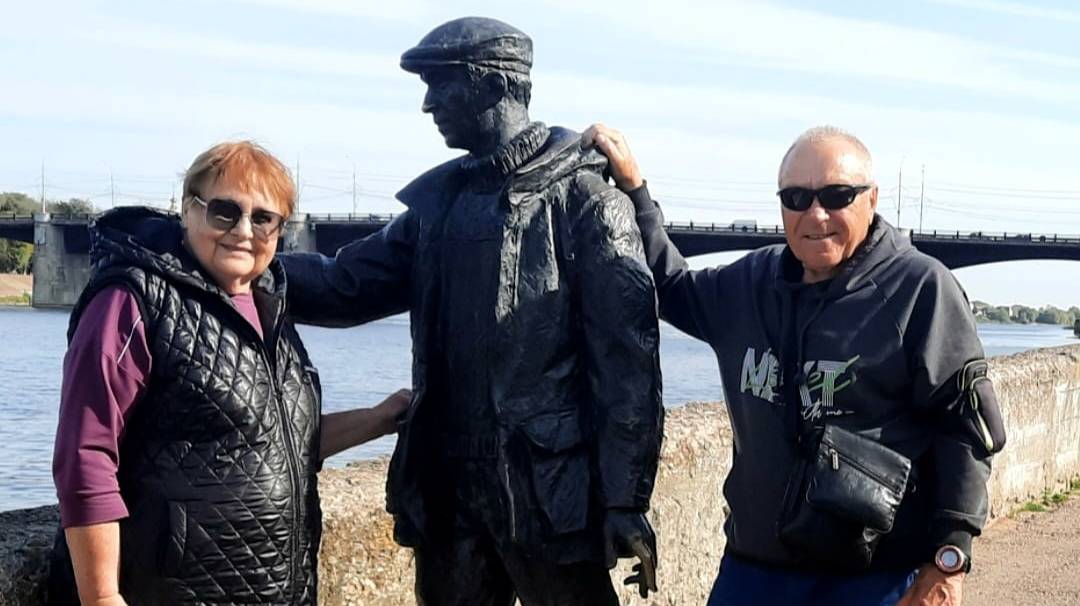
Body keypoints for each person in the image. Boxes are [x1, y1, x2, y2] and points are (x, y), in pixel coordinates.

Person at [278, 17, 663, 605]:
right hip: (450, 490)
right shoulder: (436, 208)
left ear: (492, 86)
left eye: (440, 83)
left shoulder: (585, 202)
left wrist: (625, 500)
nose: (428, 104)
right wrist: (231, 260)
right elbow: (343, 285)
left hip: (547, 494)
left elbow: (627, 366)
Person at [583, 124, 1006, 606]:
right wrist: (635, 190)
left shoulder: (919, 289)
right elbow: (670, 285)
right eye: (797, 197)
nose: (816, 214)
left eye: (837, 195)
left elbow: (967, 432)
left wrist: (949, 559)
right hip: (753, 572)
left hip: (877, 579)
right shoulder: (749, 283)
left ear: (871, 199)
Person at [48, 141, 410, 605]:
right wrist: (100, 596)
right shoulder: (132, 300)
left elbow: (276, 446)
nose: (243, 231)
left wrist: (382, 417)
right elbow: (85, 454)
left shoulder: (267, 307)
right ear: (187, 210)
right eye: (224, 211)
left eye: (264, 218)